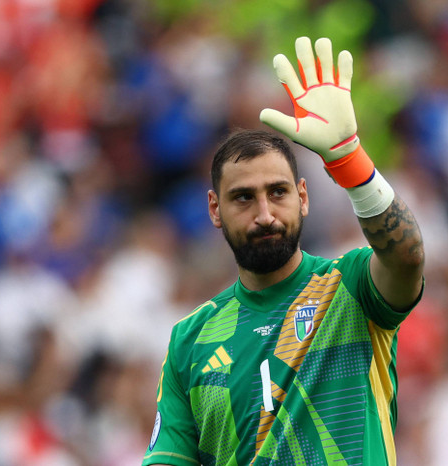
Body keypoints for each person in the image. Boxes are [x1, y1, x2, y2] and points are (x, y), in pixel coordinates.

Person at [142, 36, 424, 466]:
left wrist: (350, 160)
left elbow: (406, 258)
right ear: (215, 209)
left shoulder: (350, 287)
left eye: (278, 193)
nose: (265, 214)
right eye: (243, 198)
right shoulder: (190, 339)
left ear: (303, 197)